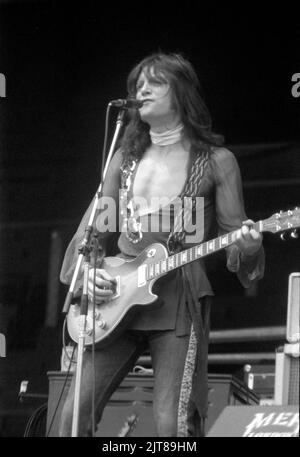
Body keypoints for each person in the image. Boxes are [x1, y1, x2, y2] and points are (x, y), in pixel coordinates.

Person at [59, 52, 265, 437]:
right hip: (116, 299)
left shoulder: (217, 162)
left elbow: (237, 238)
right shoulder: (124, 158)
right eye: (138, 85)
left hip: (177, 302)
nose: (143, 89)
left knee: (173, 425)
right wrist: (86, 272)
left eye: (156, 82)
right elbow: (92, 233)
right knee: (71, 416)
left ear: (182, 93)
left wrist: (250, 247)